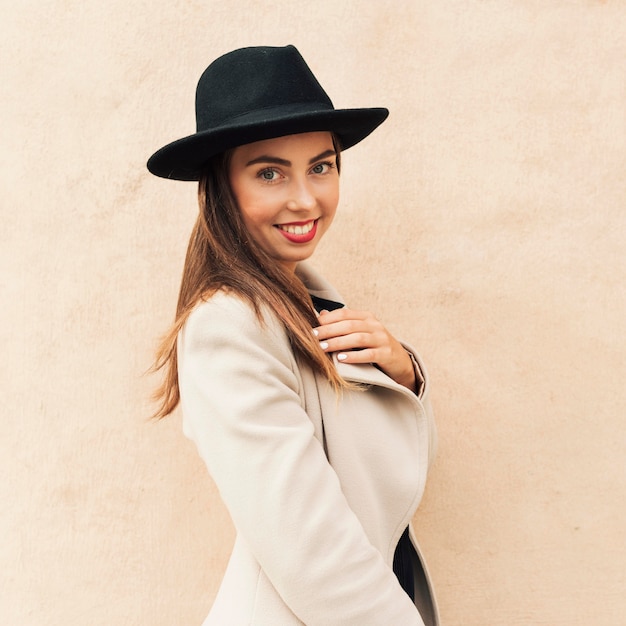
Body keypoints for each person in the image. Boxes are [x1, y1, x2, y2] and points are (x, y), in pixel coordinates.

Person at [147, 45, 439, 626]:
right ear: (221, 185)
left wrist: (405, 373)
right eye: (269, 172)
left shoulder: (310, 307)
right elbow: (312, 550)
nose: (306, 198)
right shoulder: (226, 327)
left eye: (321, 165)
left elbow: (385, 477)